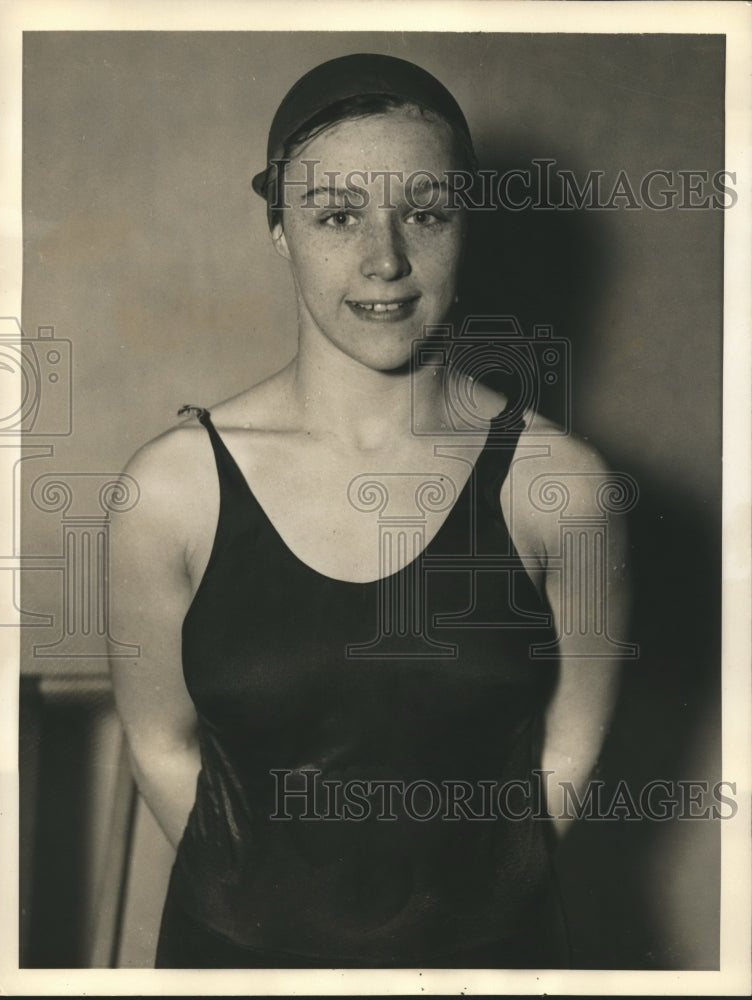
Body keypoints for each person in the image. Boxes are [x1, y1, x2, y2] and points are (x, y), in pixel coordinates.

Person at [109, 52, 628, 969]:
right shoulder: (171, 488)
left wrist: (459, 925)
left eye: (425, 213)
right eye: (337, 215)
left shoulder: (564, 485)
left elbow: (572, 745)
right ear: (280, 229)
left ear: (466, 226)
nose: (384, 259)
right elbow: (158, 742)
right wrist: (272, 916)